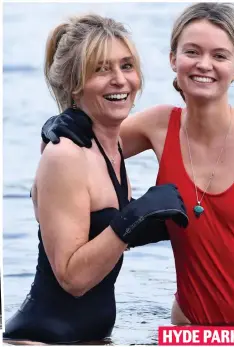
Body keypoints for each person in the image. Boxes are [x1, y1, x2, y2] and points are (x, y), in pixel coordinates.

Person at [41, 3, 234, 325]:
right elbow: (75, 151)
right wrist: (57, 125)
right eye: (192, 52)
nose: (204, 65)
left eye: (219, 56)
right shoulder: (157, 126)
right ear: (173, 59)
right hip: (186, 328)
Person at [3, 14, 188, 344]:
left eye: (126, 66)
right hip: (43, 339)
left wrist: (155, 225)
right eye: (102, 69)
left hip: (91, 338)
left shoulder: (112, 144)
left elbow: (102, 238)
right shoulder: (65, 156)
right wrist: (135, 216)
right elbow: (72, 278)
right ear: (75, 84)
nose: (120, 80)